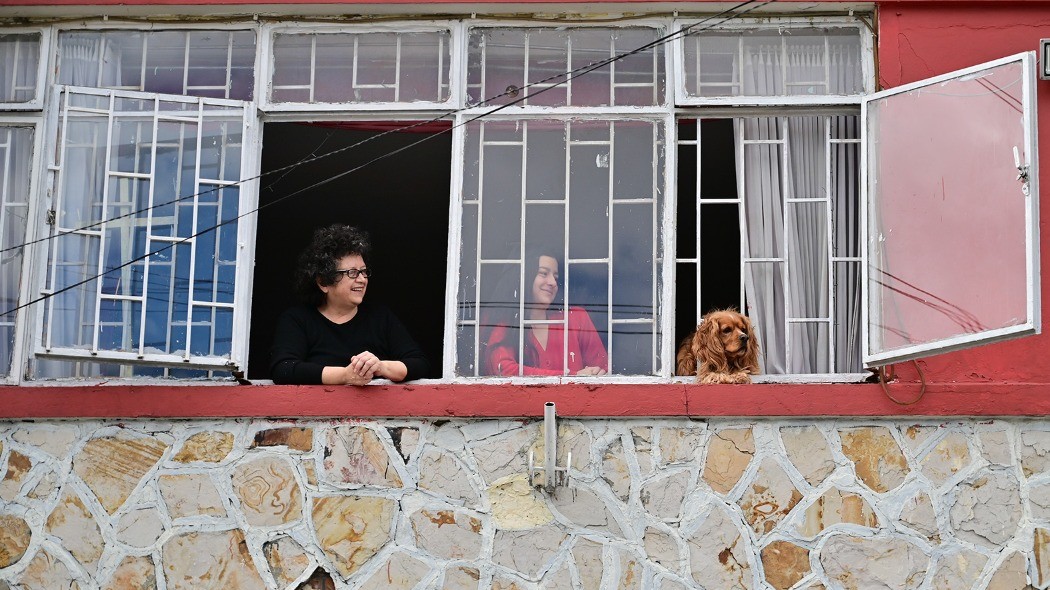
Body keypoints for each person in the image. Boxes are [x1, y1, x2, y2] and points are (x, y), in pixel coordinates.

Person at [270, 224, 430, 384]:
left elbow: (420, 363)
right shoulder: (298, 320)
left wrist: (381, 367)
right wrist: (345, 375)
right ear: (323, 282)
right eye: (352, 273)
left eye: (364, 271)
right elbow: (283, 369)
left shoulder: (381, 317)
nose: (362, 279)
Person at [484, 253, 608, 376]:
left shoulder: (576, 318)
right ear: (525, 276)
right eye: (544, 273)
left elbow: (602, 370)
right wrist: (573, 377)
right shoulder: (507, 322)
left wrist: (595, 374)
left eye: (555, 277)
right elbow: (503, 369)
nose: (553, 282)